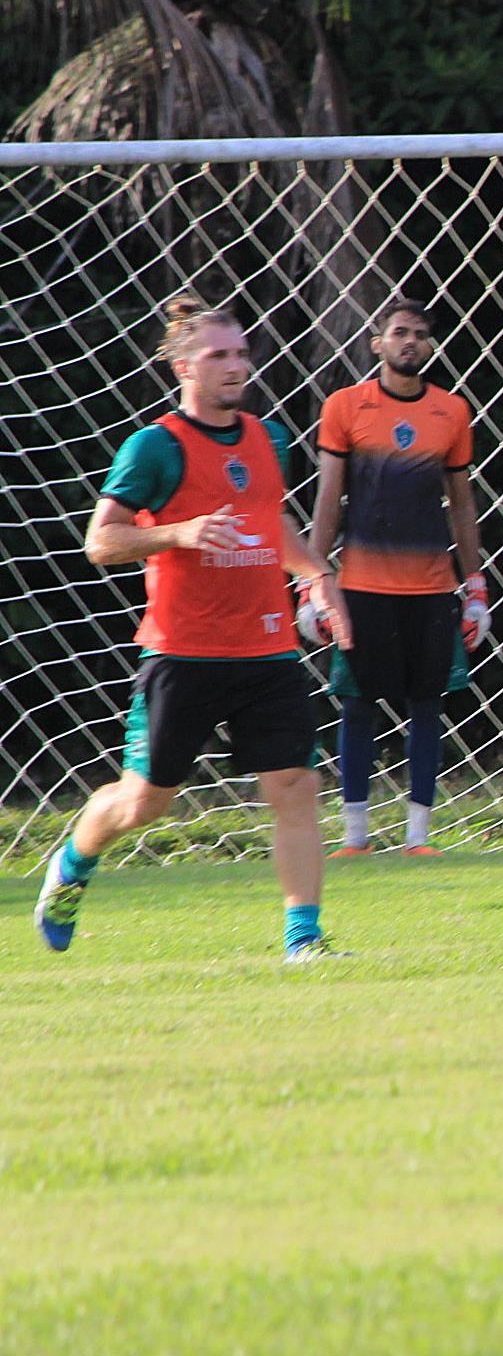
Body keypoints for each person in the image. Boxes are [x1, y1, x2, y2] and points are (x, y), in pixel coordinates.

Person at [34, 296, 355, 961]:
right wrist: (179, 531)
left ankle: (304, 939)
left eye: (240, 352)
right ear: (184, 365)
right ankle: (71, 863)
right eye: (218, 355)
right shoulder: (155, 446)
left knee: (294, 784)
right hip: (182, 652)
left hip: (266, 647)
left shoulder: (269, 439)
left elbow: (270, 521)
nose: (236, 365)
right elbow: (101, 541)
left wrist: (316, 576)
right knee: (145, 802)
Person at [309, 297, 487, 857]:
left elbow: (461, 503)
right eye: (400, 332)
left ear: (431, 347)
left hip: (432, 587)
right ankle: (355, 837)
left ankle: (417, 839)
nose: (410, 342)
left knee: (427, 707)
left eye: (420, 335)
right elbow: (327, 500)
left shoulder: (452, 412)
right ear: (377, 343)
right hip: (360, 586)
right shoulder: (344, 407)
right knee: (356, 705)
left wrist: (476, 588)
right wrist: (313, 584)